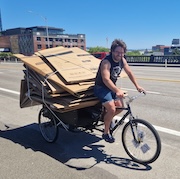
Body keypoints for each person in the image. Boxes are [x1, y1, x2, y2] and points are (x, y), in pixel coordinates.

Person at [94, 39, 145, 143]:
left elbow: (129, 72)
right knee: (112, 109)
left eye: (122, 52)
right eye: (117, 52)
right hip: (101, 88)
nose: (120, 54)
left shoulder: (122, 60)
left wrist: (137, 86)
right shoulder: (106, 62)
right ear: (112, 51)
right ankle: (105, 133)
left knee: (120, 107)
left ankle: (107, 118)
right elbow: (106, 79)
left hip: (112, 87)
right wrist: (117, 90)